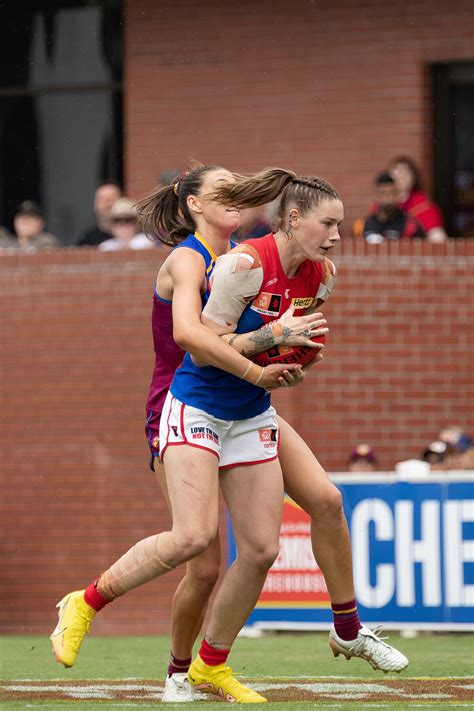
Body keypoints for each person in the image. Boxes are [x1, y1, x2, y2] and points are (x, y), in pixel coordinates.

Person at [51, 166, 408, 703]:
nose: (337, 234)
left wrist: (288, 360)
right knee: (198, 552)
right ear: (193, 204)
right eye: (224, 191)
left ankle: (219, 662)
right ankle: (94, 608)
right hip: (187, 400)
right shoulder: (199, 258)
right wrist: (268, 347)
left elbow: (276, 340)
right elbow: (194, 339)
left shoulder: (284, 262)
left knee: (272, 540)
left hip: (249, 405)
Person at [387, 156, 448, 243]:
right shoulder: (381, 207)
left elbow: (438, 239)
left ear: (413, 177)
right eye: (395, 175)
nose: (399, 178)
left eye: (404, 173)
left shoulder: (424, 207)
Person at [353, 173, 425, 243]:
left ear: (398, 194)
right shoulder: (362, 226)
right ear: (376, 196)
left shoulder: (411, 225)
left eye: (392, 193)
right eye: (383, 193)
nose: (388, 198)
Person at [76, 181, 122, 247]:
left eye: (112, 199)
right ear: (95, 206)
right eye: (102, 199)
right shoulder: (87, 241)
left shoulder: (136, 237)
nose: (108, 204)